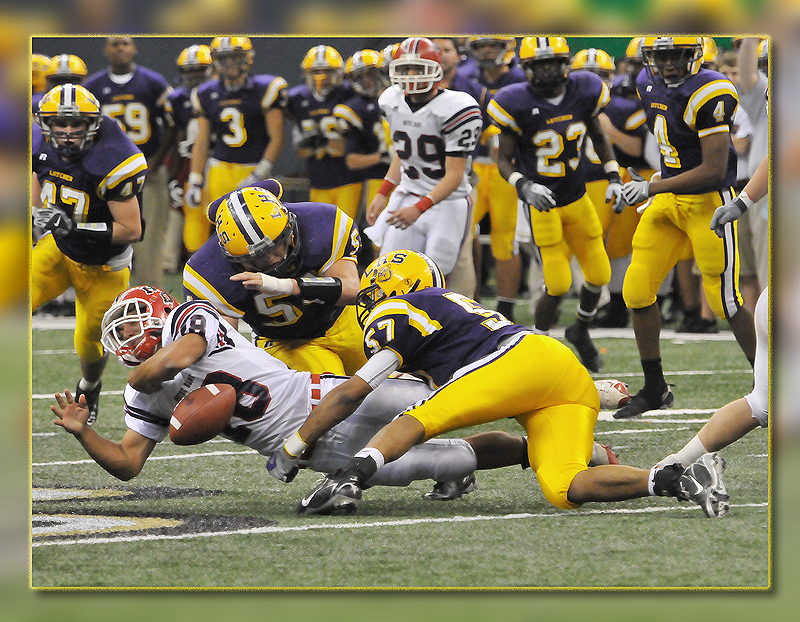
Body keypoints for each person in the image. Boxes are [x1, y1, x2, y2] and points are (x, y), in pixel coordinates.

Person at [277, 250, 729, 518]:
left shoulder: (395, 310)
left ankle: (351, 478)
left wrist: (297, 444)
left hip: (517, 363)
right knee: (564, 488)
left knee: (420, 417)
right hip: (552, 371)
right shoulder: (451, 306)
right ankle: (674, 479)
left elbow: (353, 392)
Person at [51, 284, 505, 501]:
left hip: (322, 400)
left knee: (455, 401)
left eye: (132, 323)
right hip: (320, 457)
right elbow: (129, 464)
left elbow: (177, 360)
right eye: (121, 334)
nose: (128, 339)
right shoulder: (145, 395)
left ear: (158, 310)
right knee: (449, 457)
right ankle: (530, 450)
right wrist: (83, 434)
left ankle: (529, 394)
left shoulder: (187, 318)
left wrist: (135, 380)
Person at [614, 36, 757, 419]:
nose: (669, 63)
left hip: (709, 203)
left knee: (726, 300)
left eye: (676, 55)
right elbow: (674, 145)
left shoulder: (710, 89)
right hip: (668, 196)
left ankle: (771, 385)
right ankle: (656, 388)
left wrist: (651, 185)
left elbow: (712, 171)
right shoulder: (648, 79)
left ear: (694, 55)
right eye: (661, 55)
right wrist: (654, 179)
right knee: (637, 291)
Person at [489, 37, 623, 373]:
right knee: (558, 283)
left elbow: (598, 134)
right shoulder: (513, 101)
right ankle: (540, 340)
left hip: (578, 199)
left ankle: (580, 329)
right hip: (542, 204)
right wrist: (525, 185)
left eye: (553, 62)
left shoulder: (586, 89)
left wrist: (614, 177)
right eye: (539, 64)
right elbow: (503, 158)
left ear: (565, 64)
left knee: (599, 273)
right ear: (527, 69)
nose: (547, 69)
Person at [32, 83, 147, 424]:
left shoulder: (114, 157)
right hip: (58, 249)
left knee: (89, 343)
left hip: (104, 266)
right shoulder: (37, 142)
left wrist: (72, 227)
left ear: (92, 124)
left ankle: (89, 386)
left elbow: (132, 230)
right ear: (46, 125)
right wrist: (37, 209)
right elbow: (36, 174)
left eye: (76, 125)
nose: (67, 133)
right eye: (60, 125)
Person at [183, 180, 367, 377]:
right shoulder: (208, 271)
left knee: (389, 378)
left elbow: (355, 292)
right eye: (257, 258)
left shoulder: (321, 222)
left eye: (276, 246)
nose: (271, 259)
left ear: (290, 225)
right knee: (330, 388)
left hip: (340, 319)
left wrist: (289, 286)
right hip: (283, 342)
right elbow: (224, 345)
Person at [363, 37, 483, 285]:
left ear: (436, 70)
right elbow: (405, 152)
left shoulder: (456, 107)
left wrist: (418, 209)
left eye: (418, 68)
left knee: (435, 279)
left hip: (448, 203)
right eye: (405, 68)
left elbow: (454, 175)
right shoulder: (391, 100)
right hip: (408, 195)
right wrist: (383, 192)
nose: (411, 75)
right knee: (391, 275)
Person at [83, 36, 174, 288]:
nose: (120, 48)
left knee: (149, 239)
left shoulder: (152, 82)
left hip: (147, 171)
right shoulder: (93, 86)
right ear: (105, 49)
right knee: (103, 234)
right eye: (114, 43)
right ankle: (102, 294)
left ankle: (151, 295)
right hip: (106, 173)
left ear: (134, 48)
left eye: (125, 43)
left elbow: (172, 123)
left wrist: (156, 159)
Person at [187, 36, 287, 220]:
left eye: (235, 57)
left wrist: (260, 172)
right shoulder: (205, 93)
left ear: (247, 58)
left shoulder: (264, 89)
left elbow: (277, 137)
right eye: (223, 58)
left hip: (252, 167)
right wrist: (195, 180)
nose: (229, 63)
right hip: (219, 170)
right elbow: (202, 141)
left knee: (259, 225)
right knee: (221, 227)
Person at [467, 36, 527, 321]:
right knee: (462, 236)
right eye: (480, 46)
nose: (486, 51)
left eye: (492, 44)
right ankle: (469, 299)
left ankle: (505, 308)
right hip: (469, 166)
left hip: (507, 166)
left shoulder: (520, 80)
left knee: (506, 240)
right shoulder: (467, 77)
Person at [284, 44, 363, 221]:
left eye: (327, 71)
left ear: (339, 73)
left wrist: (324, 141)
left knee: (346, 233)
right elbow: (301, 151)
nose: (322, 77)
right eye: (315, 72)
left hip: (349, 179)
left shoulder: (350, 94)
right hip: (318, 180)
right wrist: (314, 144)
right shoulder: (297, 99)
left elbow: (354, 146)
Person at [163, 44, 214, 264]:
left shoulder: (217, 94)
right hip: (189, 160)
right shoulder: (177, 99)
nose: (194, 76)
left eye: (199, 70)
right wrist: (172, 178)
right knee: (182, 208)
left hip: (218, 160)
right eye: (189, 71)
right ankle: (174, 260)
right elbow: (176, 137)